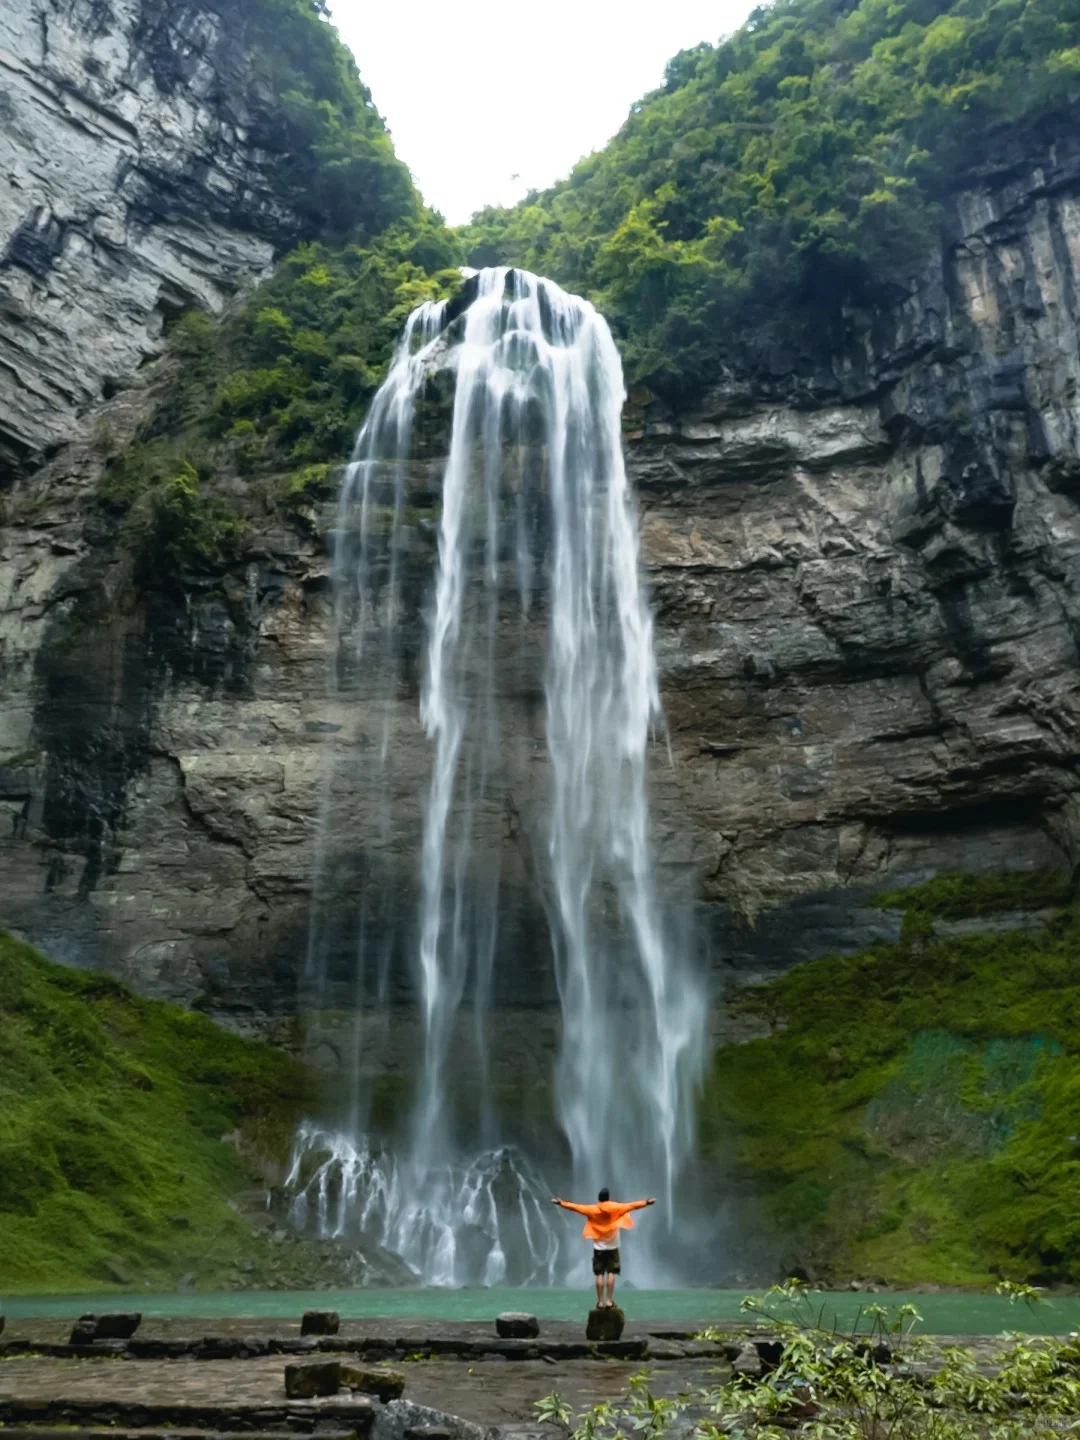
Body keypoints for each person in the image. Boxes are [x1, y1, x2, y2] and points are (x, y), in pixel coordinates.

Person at [551, 1189, 656, 1308]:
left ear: (599, 1199)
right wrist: (646, 1202)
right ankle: (609, 1301)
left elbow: (575, 1207)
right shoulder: (617, 1208)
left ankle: (600, 1302)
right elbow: (632, 1206)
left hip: (598, 1247)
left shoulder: (592, 1209)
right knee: (611, 1272)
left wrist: (561, 1203)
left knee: (599, 1274)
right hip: (613, 1245)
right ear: (608, 1198)